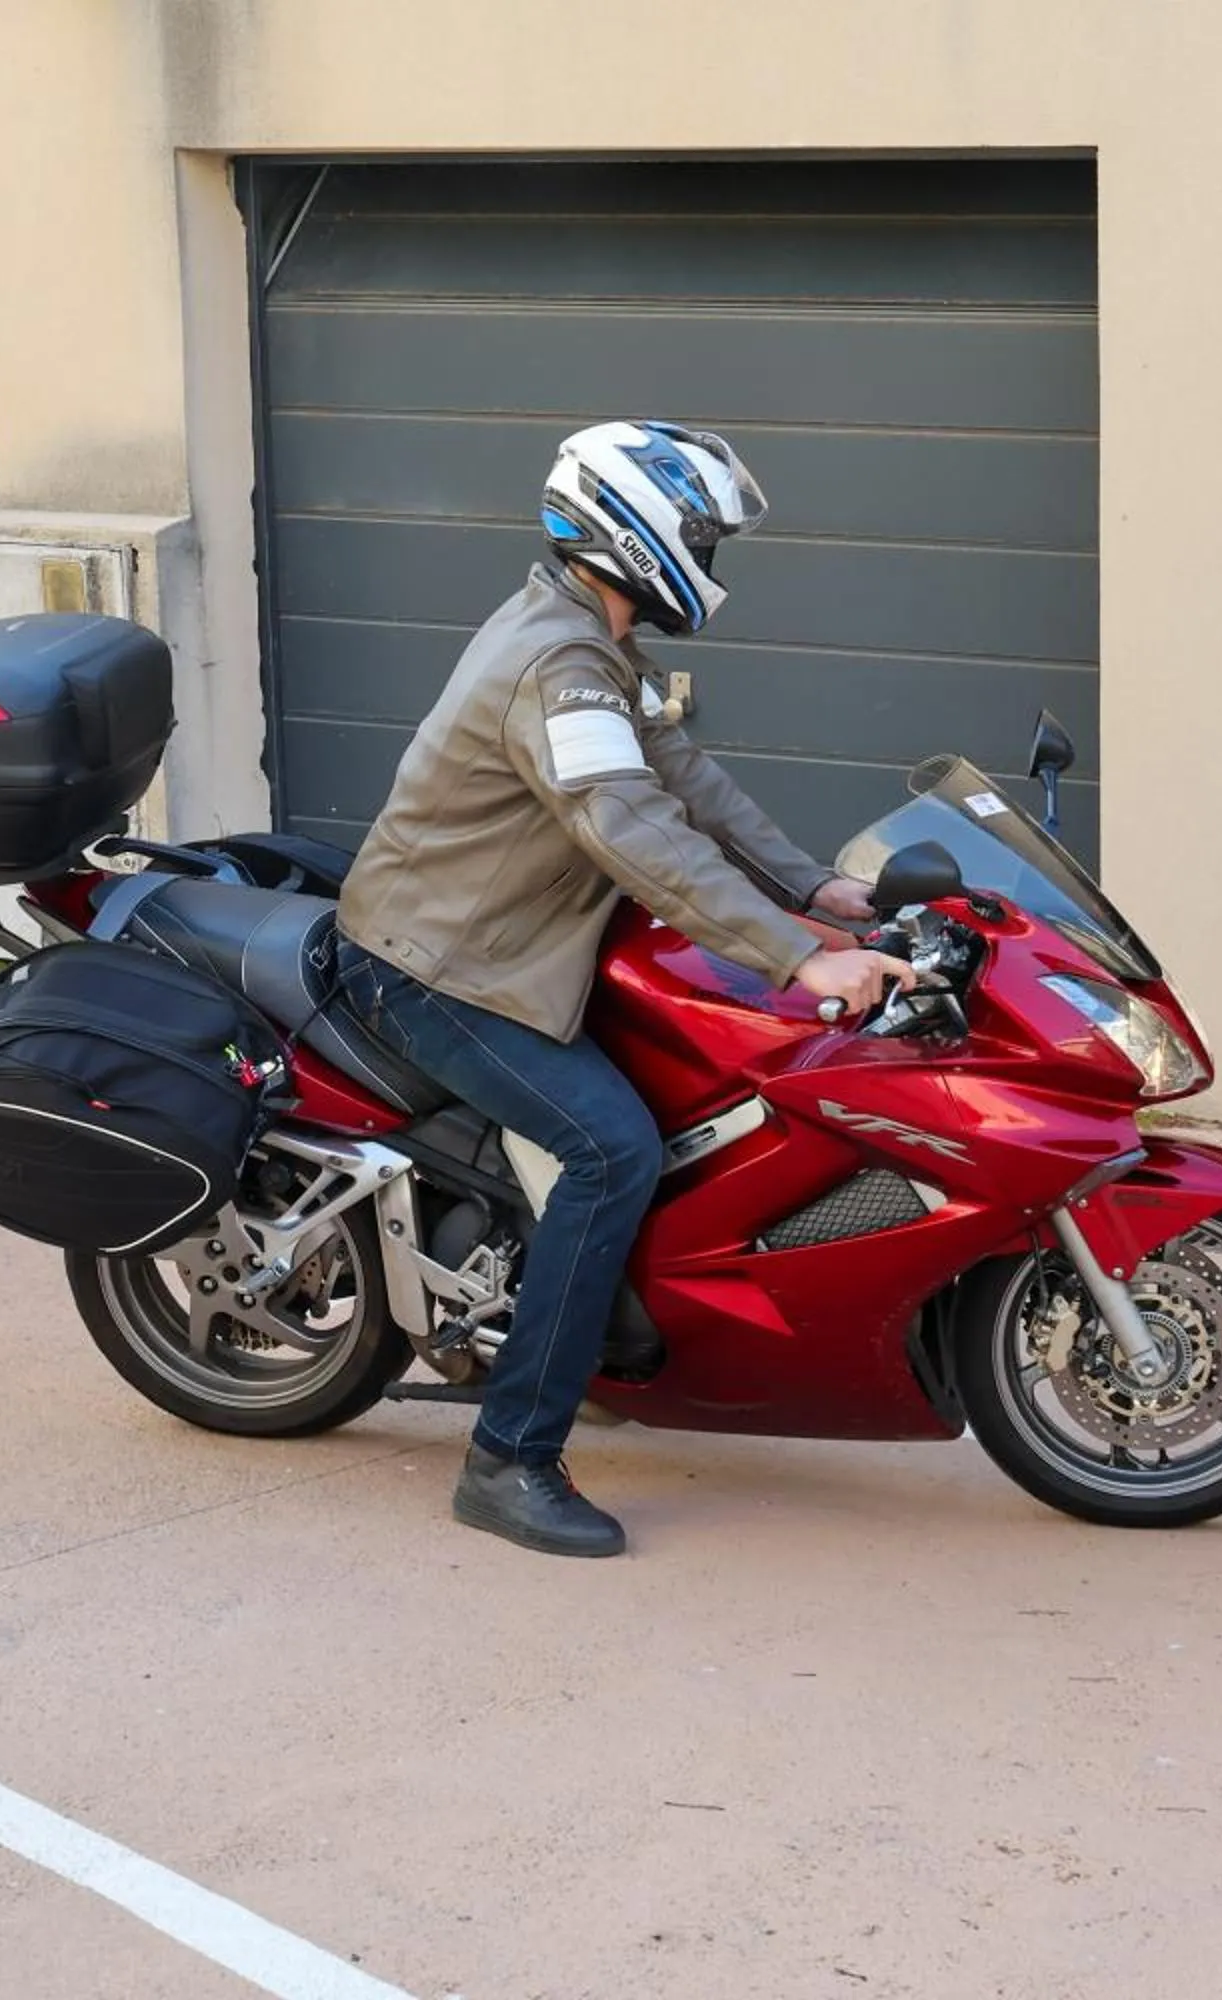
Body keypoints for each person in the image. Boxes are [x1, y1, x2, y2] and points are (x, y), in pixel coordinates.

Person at [334, 421, 913, 1560]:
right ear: (634, 532)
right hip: (436, 967)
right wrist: (799, 958)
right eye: (702, 534)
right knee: (612, 1151)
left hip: (509, 947)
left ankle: (590, 1327)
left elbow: (683, 777)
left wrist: (813, 887)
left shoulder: (591, 641)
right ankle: (509, 1459)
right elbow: (631, 826)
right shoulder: (558, 667)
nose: (712, 557)